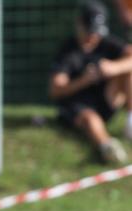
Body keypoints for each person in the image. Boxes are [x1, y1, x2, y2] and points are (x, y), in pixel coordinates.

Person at [50, 0, 132, 163]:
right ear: (80, 24)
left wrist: (113, 68)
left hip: (105, 99)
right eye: (90, 32)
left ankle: (131, 123)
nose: (93, 37)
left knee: (128, 71)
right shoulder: (68, 51)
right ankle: (107, 147)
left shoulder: (106, 42)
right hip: (79, 105)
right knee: (90, 118)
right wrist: (84, 80)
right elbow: (55, 90)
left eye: (96, 32)